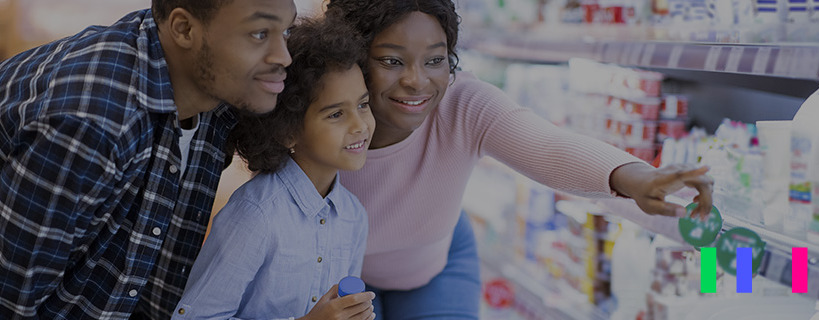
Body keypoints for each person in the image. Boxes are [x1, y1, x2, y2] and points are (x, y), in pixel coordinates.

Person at [321, 1, 716, 318]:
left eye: (435, 60)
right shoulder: (314, 117)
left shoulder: (462, 103)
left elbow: (549, 146)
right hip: (333, 277)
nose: (417, 81)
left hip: (434, 264)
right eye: (391, 61)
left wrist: (635, 177)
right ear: (352, 56)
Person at [0, 0, 296, 318]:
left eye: (287, 30)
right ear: (184, 29)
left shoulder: (208, 79)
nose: (284, 56)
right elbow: (12, 303)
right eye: (259, 33)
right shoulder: (92, 125)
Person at [172, 17, 376, 320]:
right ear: (287, 130)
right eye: (336, 114)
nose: (360, 125)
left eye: (363, 104)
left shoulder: (354, 216)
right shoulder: (255, 215)